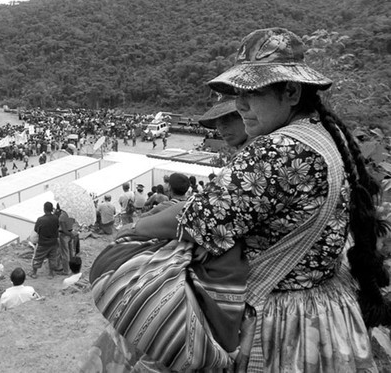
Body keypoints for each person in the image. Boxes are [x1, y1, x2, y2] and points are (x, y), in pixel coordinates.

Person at [83, 27, 389, 372]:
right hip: (323, 308)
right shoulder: (324, 135)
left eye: (251, 93)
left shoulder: (279, 150)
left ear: (291, 91)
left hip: (277, 315)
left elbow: (198, 221)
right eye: (237, 92)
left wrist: (136, 229)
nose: (240, 104)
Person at [31, 201, 60, 279]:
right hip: (53, 242)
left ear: (44, 209)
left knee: (38, 257)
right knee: (52, 257)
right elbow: (57, 227)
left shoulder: (40, 219)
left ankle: (34, 273)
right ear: (51, 209)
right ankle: (51, 273)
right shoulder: (55, 218)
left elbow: (36, 230)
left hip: (43, 242)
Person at [56, 204, 74, 275]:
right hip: (70, 232)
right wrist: (71, 234)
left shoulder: (62, 216)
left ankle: (66, 270)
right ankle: (72, 266)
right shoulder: (72, 214)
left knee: (65, 253)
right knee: (71, 251)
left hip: (64, 235)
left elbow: (64, 229)